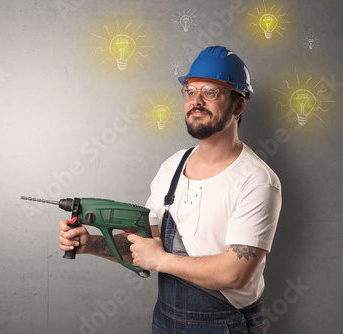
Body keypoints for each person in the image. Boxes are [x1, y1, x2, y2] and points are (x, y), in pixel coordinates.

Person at [58, 46, 282, 333]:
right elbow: (145, 246)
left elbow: (235, 273)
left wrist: (162, 260)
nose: (196, 101)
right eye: (190, 91)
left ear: (238, 106)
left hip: (224, 325)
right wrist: (91, 244)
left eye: (211, 92)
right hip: (166, 321)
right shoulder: (173, 166)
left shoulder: (257, 180)